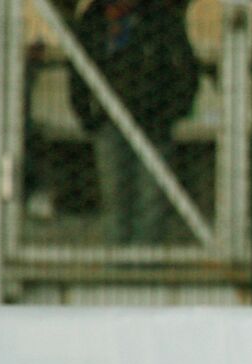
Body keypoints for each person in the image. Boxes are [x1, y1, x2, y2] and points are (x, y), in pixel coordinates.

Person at [70, 0, 198, 250]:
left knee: (151, 199)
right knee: (115, 197)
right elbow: (77, 70)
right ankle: (116, 266)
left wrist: (169, 112)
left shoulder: (161, 18)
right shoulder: (92, 21)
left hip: (153, 122)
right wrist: (88, 116)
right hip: (108, 122)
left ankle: (145, 270)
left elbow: (186, 69)